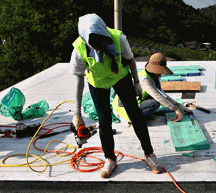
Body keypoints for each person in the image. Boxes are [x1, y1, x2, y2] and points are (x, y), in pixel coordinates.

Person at [69, 14, 163, 178]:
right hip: (97, 84)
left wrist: (136, 83)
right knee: (104, 121)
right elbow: (79, 81)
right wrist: (77, 114)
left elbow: (130, 59)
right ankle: (110, 158)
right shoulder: (79, 49)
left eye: (103, 43)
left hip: (121, 78)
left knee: (135, 115)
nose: (101, 47)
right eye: (96, 45)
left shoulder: (118, 38)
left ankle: (149, 154)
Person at [137, 53, 193, 119]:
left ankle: (145, 114)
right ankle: (136, 118)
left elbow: (162, 94)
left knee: (157, 101)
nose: (160, 74)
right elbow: (158, 96)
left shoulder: (153, 76)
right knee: (154, 104)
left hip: (140, 101)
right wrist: (175, 109)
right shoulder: (144, 79)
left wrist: (178, 105)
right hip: (132, 106)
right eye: (159, 71)